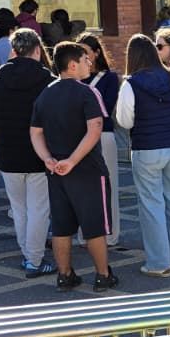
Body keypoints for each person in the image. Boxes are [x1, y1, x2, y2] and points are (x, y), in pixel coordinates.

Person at [29, 41, 118, 292]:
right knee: (94, 227)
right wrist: (73, 160)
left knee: (61, 226)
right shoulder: (87, 92)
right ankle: (102, 275)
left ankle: (64, 275)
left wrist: (47, 158)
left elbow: (35, 132)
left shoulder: (45, 93)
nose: (89, 63)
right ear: (72, 65)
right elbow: (95, 129)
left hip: (56, 169)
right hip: (87, 169)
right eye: (85, 60)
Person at [116, 34, 170, 279]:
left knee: (151, 205)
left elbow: (124, 120)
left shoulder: (131, 83)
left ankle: (159, 263)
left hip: (147, 147)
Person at [0, 28, 55, 276]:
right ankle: (33, 258)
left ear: (13, 50)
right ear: (37, 50)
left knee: (20, 208)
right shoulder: (47, 80)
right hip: (40, 152)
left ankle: (28, 253)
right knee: (39, 209)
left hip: (8, 151)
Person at [75, 33, 123, 246]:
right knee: (80, 188)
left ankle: (110, 235)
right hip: (76, 138)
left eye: (86, 52)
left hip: (103, 136)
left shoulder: (109, 78)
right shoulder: (72, 78)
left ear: (96, 53)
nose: (82, 57)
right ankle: (83, 234)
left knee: (108, 185)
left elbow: (106, 109)